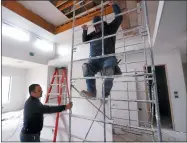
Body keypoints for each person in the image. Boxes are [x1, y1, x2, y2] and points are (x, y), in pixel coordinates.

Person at [81, 1, 123, 98]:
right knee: (85, 67)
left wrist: (114, 5)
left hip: (107, 57)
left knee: (108, 70)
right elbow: (84, 40)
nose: (96, 27)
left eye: (98, 25)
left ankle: (105, 93)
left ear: (102, 23)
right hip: (94, 61)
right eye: (95, 26)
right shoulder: (93, 34)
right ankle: (91, 92)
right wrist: (85, 30)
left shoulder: (109, 28)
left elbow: (119, 18)